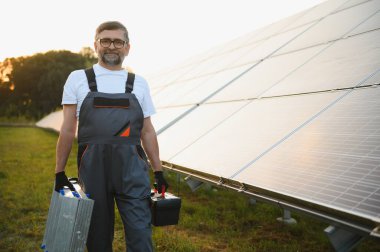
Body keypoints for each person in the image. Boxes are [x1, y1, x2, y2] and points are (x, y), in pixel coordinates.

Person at [54, 21, 168, 252]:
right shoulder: (77, 78)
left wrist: (158, 170)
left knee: (140, 235)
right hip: (92, 168)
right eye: (105, 40)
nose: (112, 46)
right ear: (96, 44)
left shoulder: (139, 83)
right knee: (96, 235)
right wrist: (59, 172)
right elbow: (67, 128)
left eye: (118, 41)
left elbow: (147, 130)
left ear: (127, 47)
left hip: (133, 170)